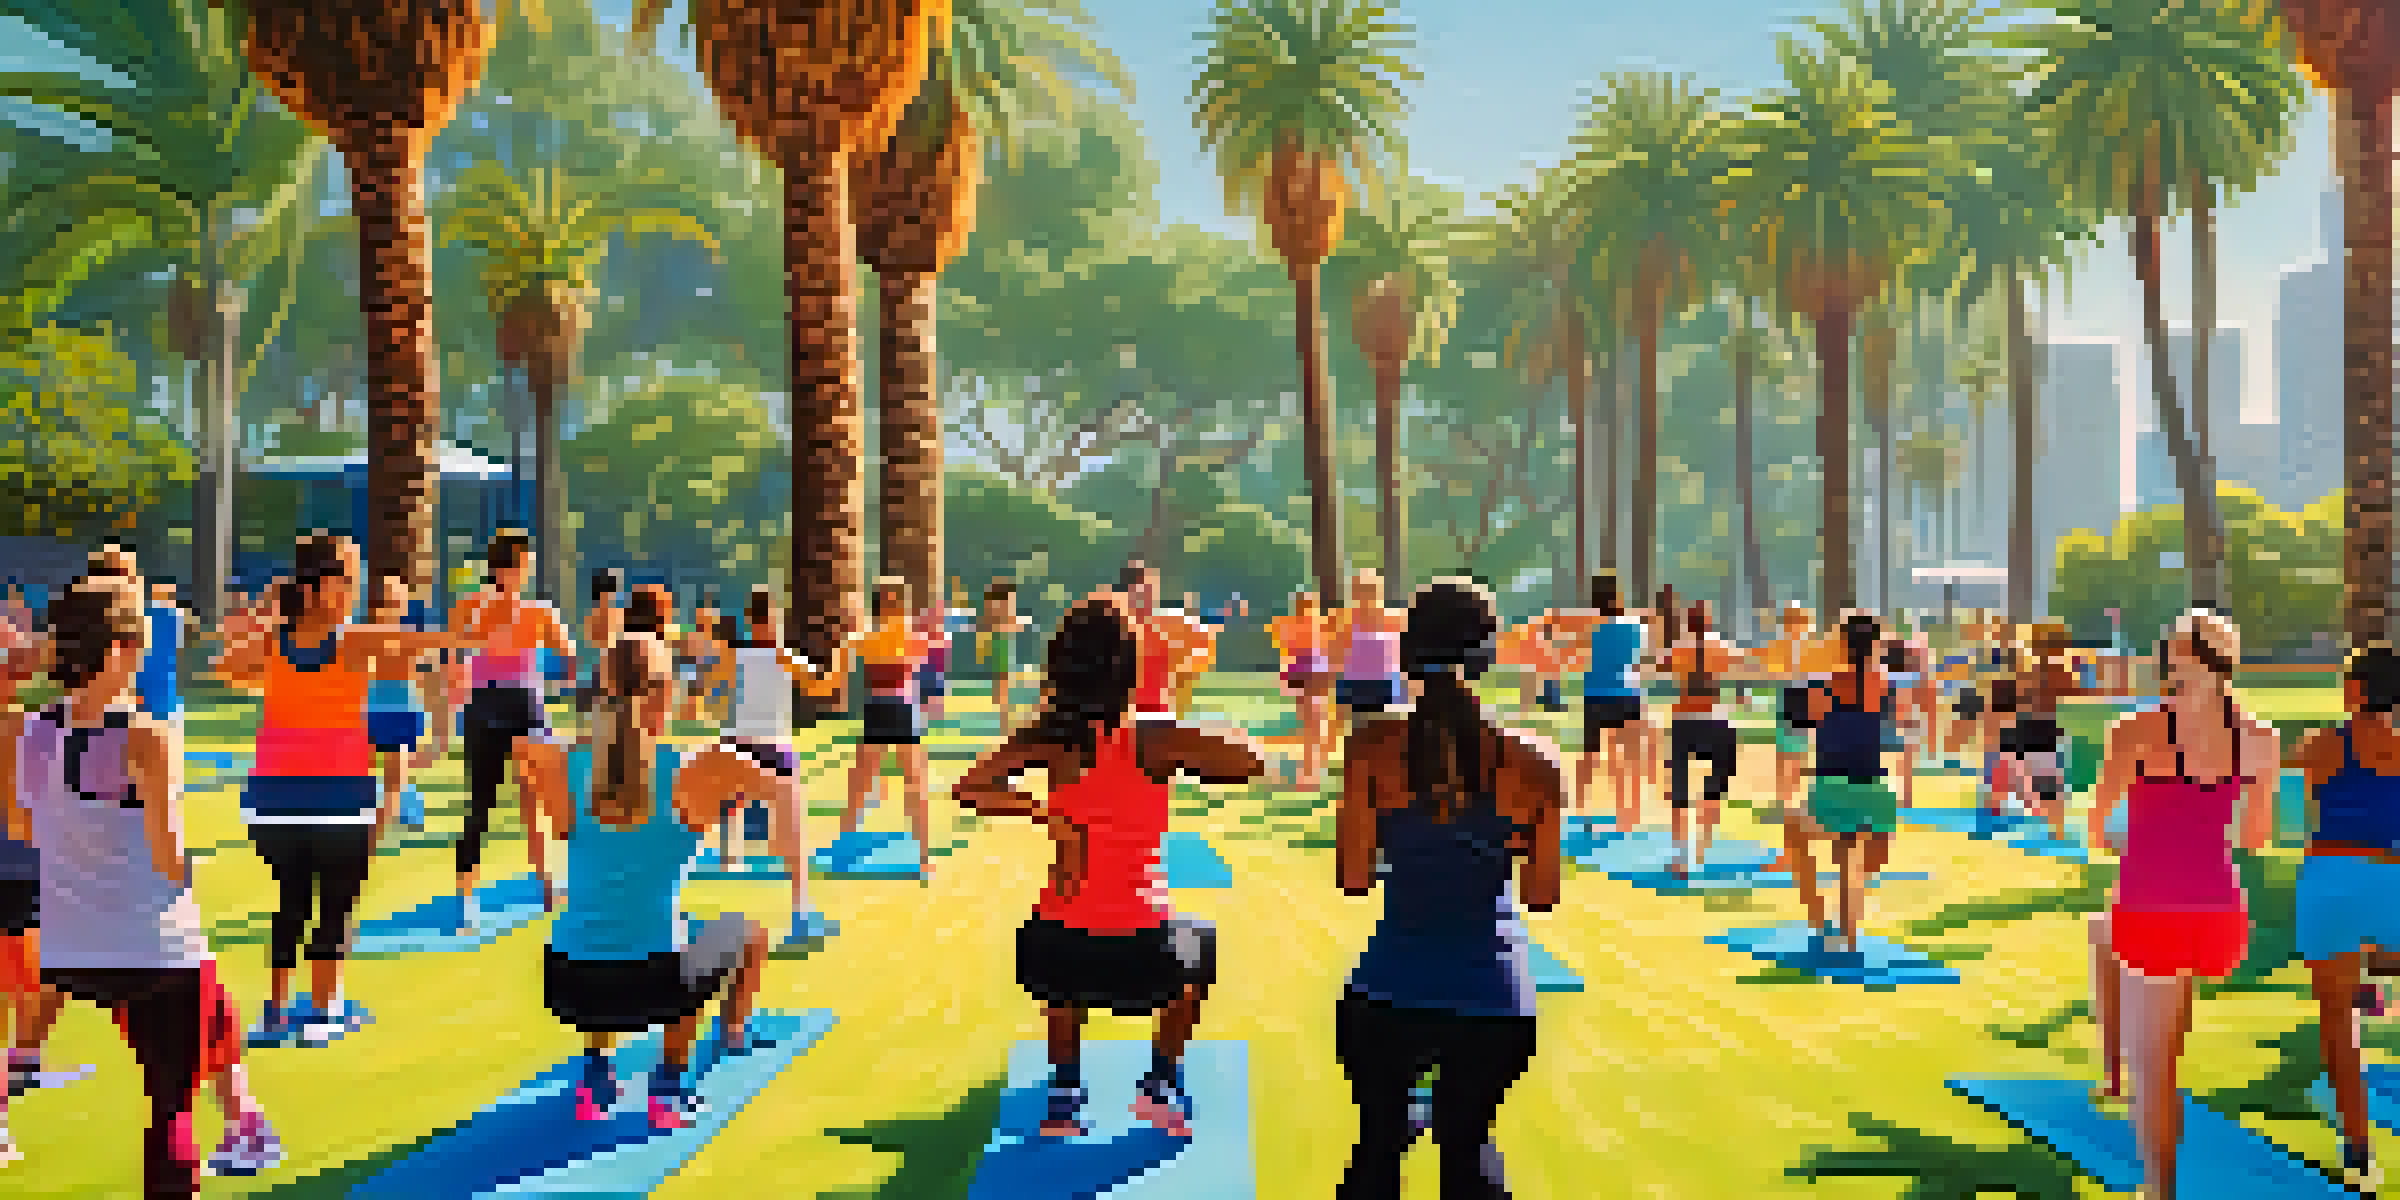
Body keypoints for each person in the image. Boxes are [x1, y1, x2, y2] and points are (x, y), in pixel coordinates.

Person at [953, 592, 1265, 1142]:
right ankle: (1162, 1081)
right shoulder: (1153, 736)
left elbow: (970, 786)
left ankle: (1065, 1090)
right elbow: (1250, 761)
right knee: (1202, 940)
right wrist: (1183, 732)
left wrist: (1044, 813)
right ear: (1130, 667)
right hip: (1147, 960)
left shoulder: (1047, 738)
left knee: (1053, 934)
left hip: (1054, 958)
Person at [19, 578, 285, 1188]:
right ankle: (242, 1124)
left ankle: (246, 1120)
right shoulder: (147, 735)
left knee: (214, 1008)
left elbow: (25, 827)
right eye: (138, 645)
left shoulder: (27, 731)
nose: (143, 658)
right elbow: (170, 855)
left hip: (70, 949)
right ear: (114, 651)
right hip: (151, 949)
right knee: (170, 1107)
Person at [1333, 577, 1559, 1199]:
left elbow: (1353, 879)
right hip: (1494, 1001)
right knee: (1468, 1147)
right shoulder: (1536, 762)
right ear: (1485, 656)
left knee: (1378, 1147)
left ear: (1410, 652)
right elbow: (1541, 894)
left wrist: (1413, 852)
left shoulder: (1370, 747)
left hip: (1386, 995)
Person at [214, 535, 474, 1044]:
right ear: (320, 588)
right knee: (335, 905)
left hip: (273, 796)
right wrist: (471, 634)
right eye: (349, 581)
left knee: (291, 901)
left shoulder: (277, 640)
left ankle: (274, 1009)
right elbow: (428, 642)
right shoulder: (352, 639)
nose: (356, 592)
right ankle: (320, 1012)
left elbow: (226, 668)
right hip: (338, 794)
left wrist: (266, 658)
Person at [514, 635, 774, 1130]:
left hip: (569, 983)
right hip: (656, 984)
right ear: (664, 694)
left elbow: (523, 748)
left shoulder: (566, 766)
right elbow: (777, 779)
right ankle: (672, 1083)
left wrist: (582, 748)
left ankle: (597, 1076)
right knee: (744, 931)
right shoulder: (692, 768)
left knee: (625, 932)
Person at [2085, 610, 2275, 1200]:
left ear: (2180, 660)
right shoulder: (2259, 738)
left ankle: (2159, 1190)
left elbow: (2096, 826)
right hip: (2218, 910)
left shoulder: (2135, 730)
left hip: (2151, 906)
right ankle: (2116, 1071)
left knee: (2157, 1067)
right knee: (2160, 1033)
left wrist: (2127, 834)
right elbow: (2252, 841)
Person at [2294, 643, 2400, 1192]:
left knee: (2339, 1023)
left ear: (2357, 690)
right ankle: (2377, 970)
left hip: (2330, 879)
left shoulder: (2325, 744)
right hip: (2388, 879)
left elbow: (2293, 792)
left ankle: (2358, 1151)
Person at [448, 531, 575, 923]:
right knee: (481, 804)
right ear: (502, 568)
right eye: (521, 564)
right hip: (486, 706)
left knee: (539, 801)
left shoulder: (538, 610)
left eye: (528, 565)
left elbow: (567, 652)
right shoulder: (472, 605)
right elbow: (453, 652)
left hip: (526, 707)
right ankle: (466, 899)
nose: (525, 572)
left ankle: (547, 885)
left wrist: (557, 674)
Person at [721, 588, 841, 938]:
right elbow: (822, 689)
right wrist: (842, 656)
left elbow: (713, 688)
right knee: (793, 832)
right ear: (770, 618)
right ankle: (800, 912)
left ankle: (733, 858)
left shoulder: (739, 655)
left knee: (731, 813)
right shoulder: (782, 655)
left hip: (739, 744)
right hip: (772, 746)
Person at [1803, 613, 1902, 954]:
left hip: (1833, 776)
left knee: (1841, 853)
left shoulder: (1830, 679)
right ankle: (1848, 929)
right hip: (1866, 777)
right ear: (1873, 645)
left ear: (1844, 643)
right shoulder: (1883, 680)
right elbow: (1893, 720)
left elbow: (1813, 722)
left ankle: (1837, 927)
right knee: (1859, 859)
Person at [0, 612, 62, 1155]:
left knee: (40, 980)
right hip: (21, 871)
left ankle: (24, 1062)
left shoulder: (30, 724)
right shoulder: (26, 727)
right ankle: (20, 1064)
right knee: (41, 977)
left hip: (24, 870)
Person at [841, 578, 935, 879]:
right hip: (890, 708)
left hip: (889, 709)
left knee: (903, 784)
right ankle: (921, 858)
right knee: (867, 784)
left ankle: (922, 857)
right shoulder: (903, 637)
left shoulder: (874, 637)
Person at [1660, 600, 1739, 878]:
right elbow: (1736, 667)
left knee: (1680, 791)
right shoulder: (1721, 645)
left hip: (1684, 721)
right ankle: (1702, 851)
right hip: (1715, 719)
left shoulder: (1679, 648)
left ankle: (1681, 857)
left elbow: (1661, 666)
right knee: (1713, 790)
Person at [1564, 574, 1646, 824]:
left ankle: (1580, 809)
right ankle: (1628, 814)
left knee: (1589, 755)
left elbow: (1572, 654)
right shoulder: (1635, 625)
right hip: (1628, 694)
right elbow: (1639, 658)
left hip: (1596, 695)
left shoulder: (1589, 627)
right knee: (1627, 757)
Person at [363, 574, 434, 838]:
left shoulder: (411, 639)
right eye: (386, 600)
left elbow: (424, 678)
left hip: (403, 714)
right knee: (364, 780)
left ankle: (373, 841)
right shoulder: (363, 638)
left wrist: (432, 724)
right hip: (372, 714)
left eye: (397, 600)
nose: (391, 606)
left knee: (394, 782)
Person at [1270, 592, 1336, 790]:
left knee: (1312, 726)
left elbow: (1287, 653)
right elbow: (1288, 653)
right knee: (1312, 726)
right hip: (1308, 678)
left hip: (1312, 678)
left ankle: (1311, 771)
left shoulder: (1315, 626)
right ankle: (1311, 771)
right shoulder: (1318, 626)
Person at [1333, 571, 1410, 720]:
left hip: (1385, 685)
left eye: (1370, 589)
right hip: (1353, 686)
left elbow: (1402, 653)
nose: (1366, 595)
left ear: (1379, 591)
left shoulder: (1394, 618)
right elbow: (1336, 655)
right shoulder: (1344, 620)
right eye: (1361, 590)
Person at [979, 581, 1033, 736]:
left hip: (1004, 650)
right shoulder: (998, 611)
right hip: (1001, 650)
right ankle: (1004, 718)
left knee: (1003, 683)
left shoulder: (995, 612)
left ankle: (1003, 716)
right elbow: (1002, 626)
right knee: (1002, 683)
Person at [134, 580, 190, 728]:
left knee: (159, 698)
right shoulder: (152, 613)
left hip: (160, 665)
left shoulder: (172, 614)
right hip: (153, 664)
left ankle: (157, 723)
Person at [578, 569, 626, 730]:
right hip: (603, 666)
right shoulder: (614, 614)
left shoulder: (593, 615)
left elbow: (590, 640)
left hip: (600, 666)